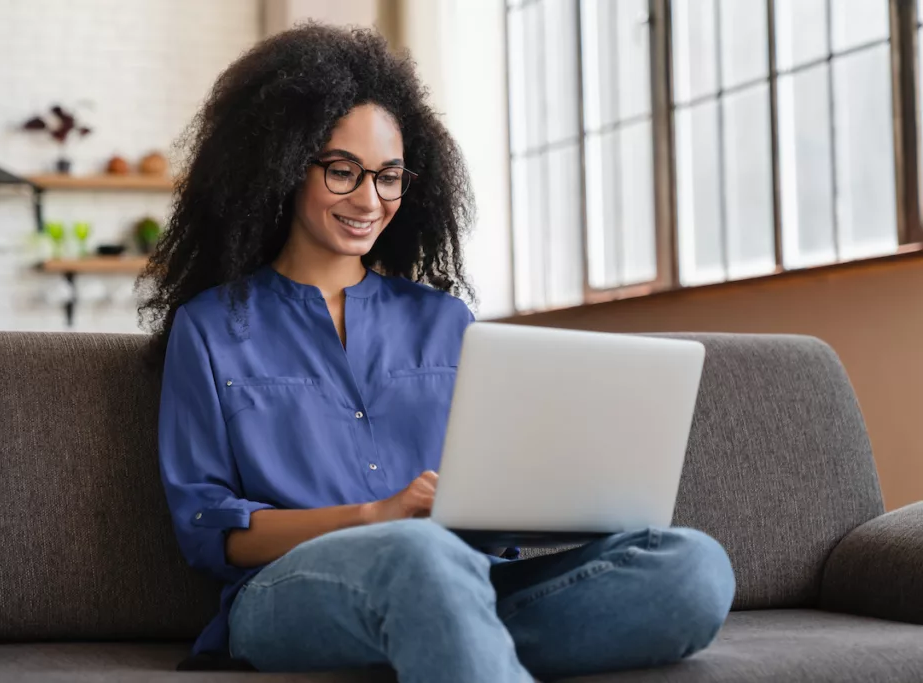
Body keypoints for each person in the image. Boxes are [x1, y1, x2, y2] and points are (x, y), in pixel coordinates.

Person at [141, 24, 735, 683]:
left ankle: (443, 637)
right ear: (281, 165)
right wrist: (376, 516)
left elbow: (494, 495)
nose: (369, 200)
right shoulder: (211, 328)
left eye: (389, 177)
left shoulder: (446, 322)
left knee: (692, 566)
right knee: (416, 555)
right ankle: (444, 627)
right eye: (343, 171)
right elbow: (207, 529)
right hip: (290, 593)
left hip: (465, 574)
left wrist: (524, 502)